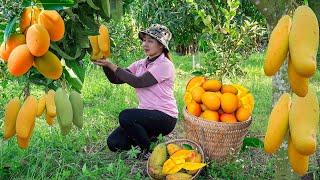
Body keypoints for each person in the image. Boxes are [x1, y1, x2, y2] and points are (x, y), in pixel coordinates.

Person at [93, 24, 178, 155]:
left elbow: (139, 82)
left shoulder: (165, 65)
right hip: (146, 117)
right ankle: (149, 138)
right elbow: (117, 79)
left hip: (165, 117)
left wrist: (113, 66)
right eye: (144, 40)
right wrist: (105, 64)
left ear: (161, 45)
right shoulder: (140, 64)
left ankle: (147, 151)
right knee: (114, 143)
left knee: (126, 116)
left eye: (150, 41)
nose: (145, 44)